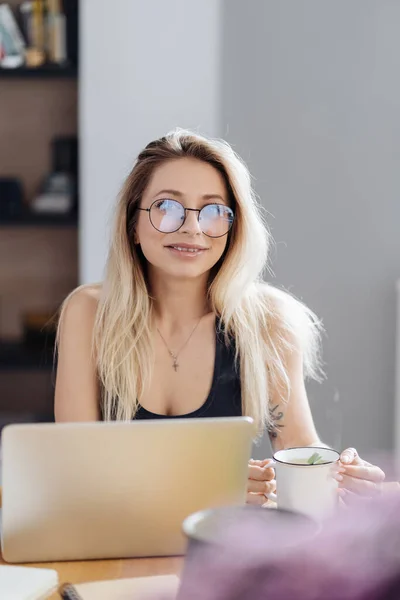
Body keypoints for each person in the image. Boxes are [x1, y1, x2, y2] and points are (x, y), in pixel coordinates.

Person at [54, 128, 384, 505]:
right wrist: (204, 486)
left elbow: (297, 447)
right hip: (118, 549)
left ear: (232, 227)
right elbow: (75, 472)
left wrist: (341, 476)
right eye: (167, 207)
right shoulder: (88, 313)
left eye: (213, 211)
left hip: (223, 548)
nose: (192, 227)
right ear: (133, 225)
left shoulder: (268, 322)